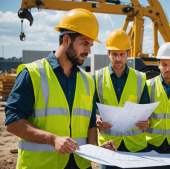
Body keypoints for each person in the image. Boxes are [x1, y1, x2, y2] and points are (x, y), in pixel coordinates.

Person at [5, 8, 116, 169]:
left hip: (80, 165)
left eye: (90, 45)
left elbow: (90, 123)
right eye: (85, 43)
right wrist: (52, 139)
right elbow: (13, 122)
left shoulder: (87, 81)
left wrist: (96, 150)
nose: (89, 51)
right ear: (66, 39)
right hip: (41, 165)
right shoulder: (32, 74)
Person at [93, 29, 151, 169]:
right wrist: (96, 120)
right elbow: (90, 109)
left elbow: (146, 109)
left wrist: (147, 122)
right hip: (109, 145)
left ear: (128, 54)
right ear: (108, 54)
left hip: (136, 146)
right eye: (114, 54)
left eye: (121, 54)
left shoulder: (140, 78)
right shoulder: (96, 77)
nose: (118, 59)